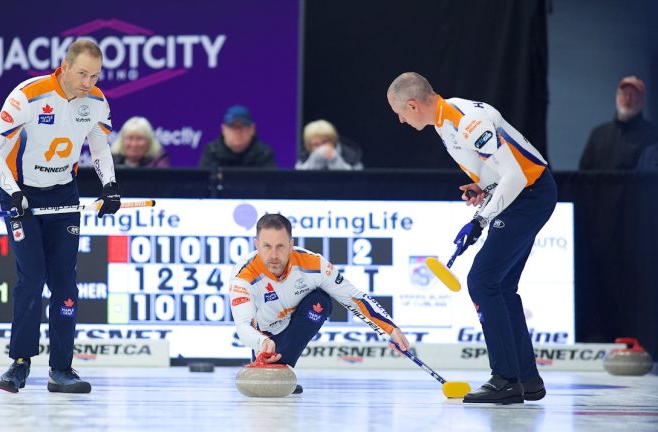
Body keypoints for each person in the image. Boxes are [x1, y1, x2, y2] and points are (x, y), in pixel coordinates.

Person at [387, 72, 556, 404]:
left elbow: (516, 175)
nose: (401, 121)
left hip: (530, 194)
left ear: (411, 104)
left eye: (400, 113)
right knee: (501, 286)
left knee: (483, 281)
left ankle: (505, 380)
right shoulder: (443, 122)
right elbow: (497, 170)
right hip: (521, 195)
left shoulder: (467, 122)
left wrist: (480, 219)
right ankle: (526, 379)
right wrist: (483, 187)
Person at [0, 40, 121, 394]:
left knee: (65, 283)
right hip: (21, 191)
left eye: (94, 75)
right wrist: (13, 194)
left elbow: (100, 147)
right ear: (64, 65)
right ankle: (19, 364)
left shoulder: (95, 103)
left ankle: (61, 369)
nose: (88, 82)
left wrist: (110, 187)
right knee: (32, 279)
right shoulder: (26, 97)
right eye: (82, 73)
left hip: (64, 194)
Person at [229, 214, 410, 394]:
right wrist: (261, 342)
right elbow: (242, 326)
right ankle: (271, 362)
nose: (274, 255)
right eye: (267, 246)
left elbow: (353, 298)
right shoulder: (243, 275)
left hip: (295, 326)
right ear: (256, 244)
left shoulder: (314, 263)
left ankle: (280, 366)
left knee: (320, 302)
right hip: (264, 337)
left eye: (280, 246)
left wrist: (390, 329)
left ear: (291, 245)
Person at [579, 75, 657, 170]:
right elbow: (583, 172)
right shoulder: (598, 134)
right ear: (617, 97)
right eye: (624, 94)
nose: (628, 99)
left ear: (642, 99)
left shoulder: (652, 134)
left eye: (633, 95)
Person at [197, 105, 277, 169]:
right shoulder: (212, 152)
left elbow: (272, 186)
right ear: (223, 129)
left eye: (243, 126)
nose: (238, 132)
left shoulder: (264, 154)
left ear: (252, 129)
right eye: (232, 127)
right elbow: (201, 185)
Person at [296, 119, 363, 170]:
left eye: (324, 142)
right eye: (315, 144)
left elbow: (358, 180)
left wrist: (335, 160)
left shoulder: (352, 157)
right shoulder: (302, 160)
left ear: (333, 141)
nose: (321, 148)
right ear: (309, 146)